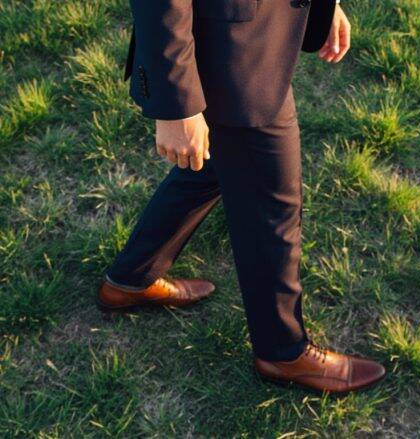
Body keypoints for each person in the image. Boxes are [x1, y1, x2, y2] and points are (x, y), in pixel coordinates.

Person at [97, 0, 386, 394]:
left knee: (216, 166)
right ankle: (283, 351)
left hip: (257, 32)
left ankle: (131, 278)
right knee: (272, 206)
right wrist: (176, 103)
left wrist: (324, 5)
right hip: (226, 48)